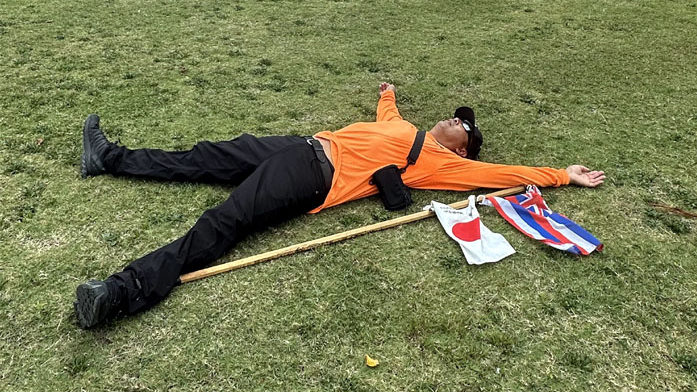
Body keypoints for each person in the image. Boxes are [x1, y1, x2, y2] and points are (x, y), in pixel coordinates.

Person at [74, 82, 604, 329]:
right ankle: (110, 159)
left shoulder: (444, 164)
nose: (453, 119)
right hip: (299, 145)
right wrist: (389, 92)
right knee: (206, 156)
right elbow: (387, 114)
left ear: (462, 145)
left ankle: (123, 291)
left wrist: (562, 175)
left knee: (225, 221)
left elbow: (505, 176)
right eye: (456, 116)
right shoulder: (404, 127)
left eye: (463, 125)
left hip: (312, 174)